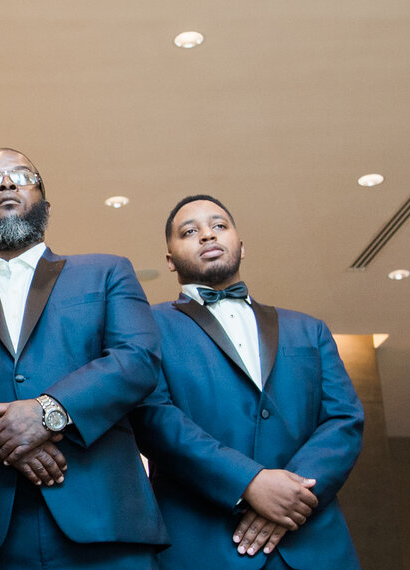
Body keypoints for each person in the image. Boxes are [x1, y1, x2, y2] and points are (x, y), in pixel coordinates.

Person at [0, 149, 164, 570]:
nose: (5, 183)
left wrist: (46, 412)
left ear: (45, 205)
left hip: (105, 522)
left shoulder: (107, 272)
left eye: (22, 175)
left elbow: (137, 358)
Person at [130, 195, 363, 569]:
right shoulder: (145, 327)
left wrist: (291, 494)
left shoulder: (309, 329)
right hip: (205, 547)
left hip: (314, 544)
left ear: (241, 244)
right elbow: (153, 418)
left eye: (219, 226)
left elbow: (344, 421)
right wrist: (250, 483)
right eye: (190, 231)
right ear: (170, 259)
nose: (207, 235)